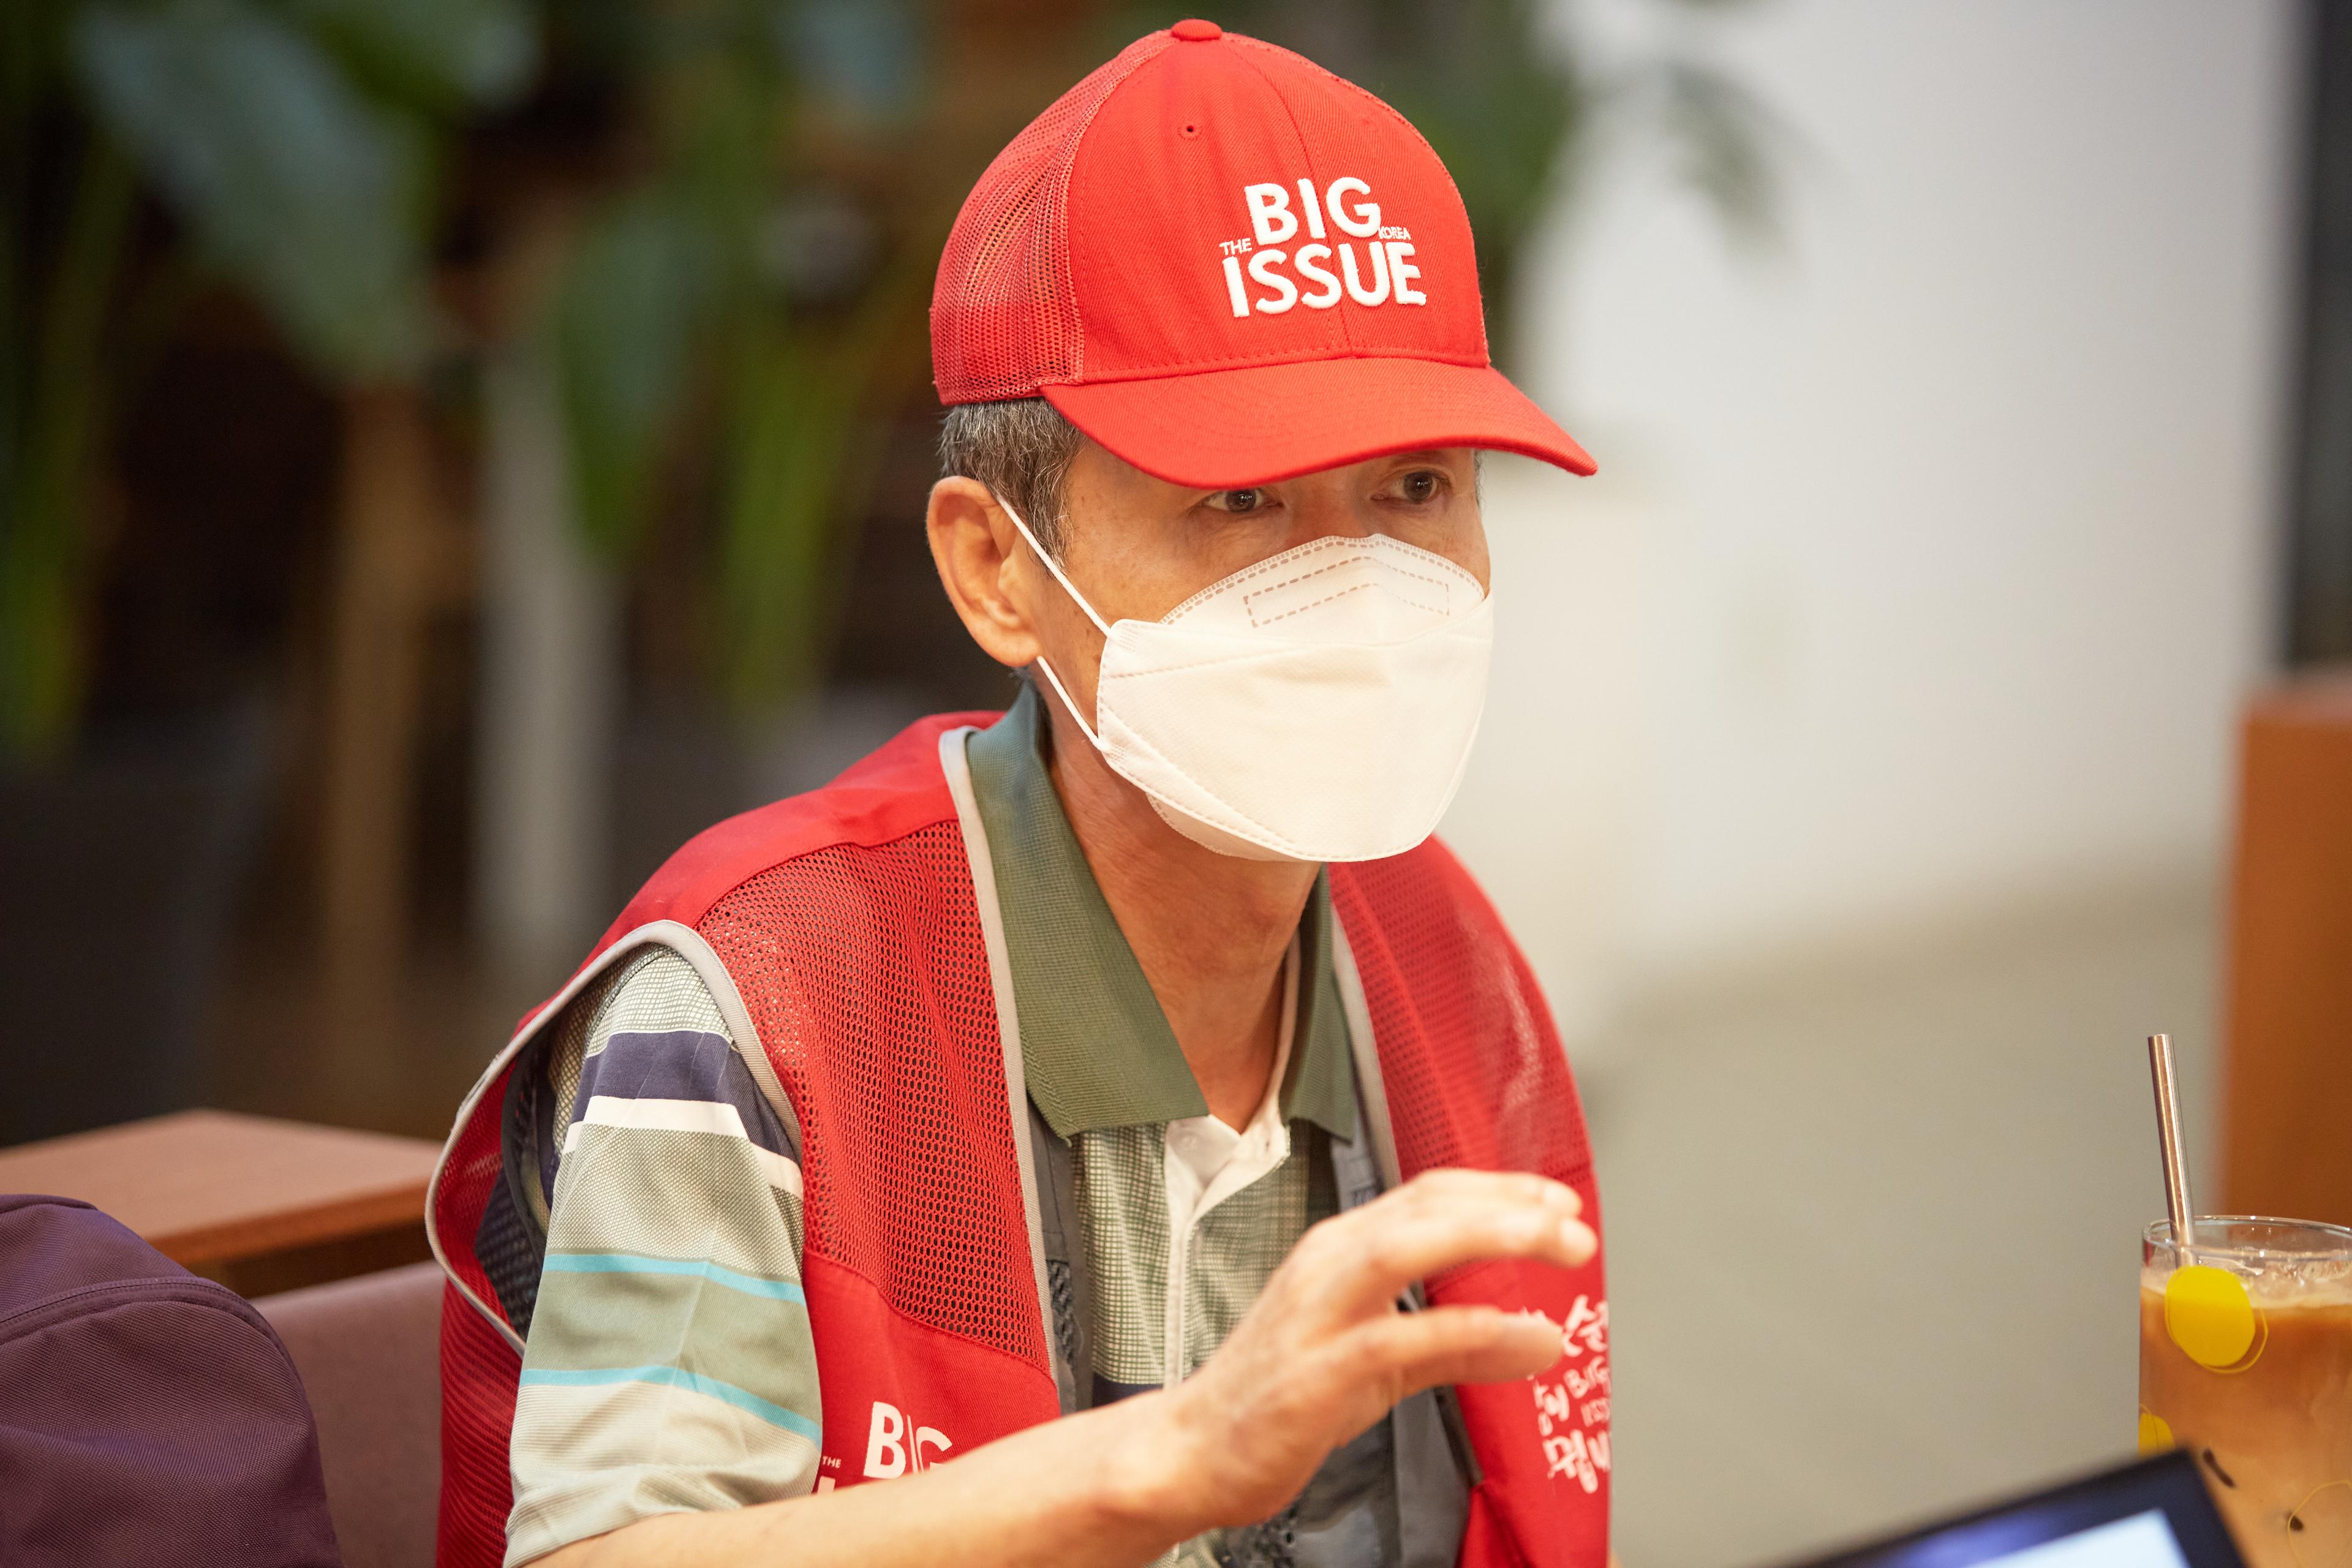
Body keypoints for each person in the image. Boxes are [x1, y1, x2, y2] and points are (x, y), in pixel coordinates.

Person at [429, 20, 1611, 1568]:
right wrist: (1165, 1466)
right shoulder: (763, 1004)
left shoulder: (1441, 966)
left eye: (1414, 488)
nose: (1355, 590)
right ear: (997, 567)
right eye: (1239, 501)